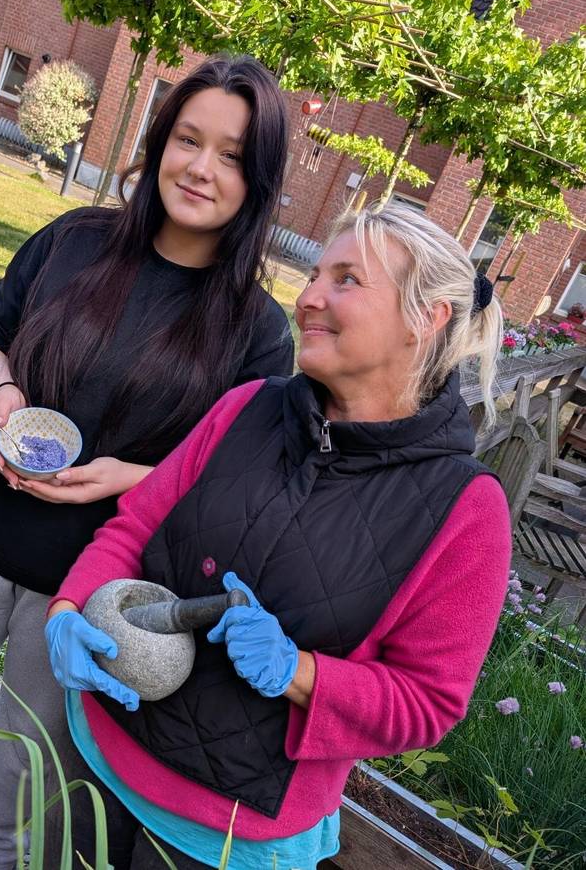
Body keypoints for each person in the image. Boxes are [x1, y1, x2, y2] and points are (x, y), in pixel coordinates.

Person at [0, 55, 295, 865]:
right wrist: (2, 396)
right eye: (189, 139)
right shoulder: (75, 241)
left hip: (88, 596)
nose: (200, 168)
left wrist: (131, 481)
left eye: (230, 156)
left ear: (257, 181)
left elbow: (244, 482)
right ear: (161, 141)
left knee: (15, 789)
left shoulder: (257, 330)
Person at [45, 203, 512, 869]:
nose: (309, 297)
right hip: (99, 756)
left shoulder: (465, 509)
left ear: (427, 318)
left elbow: (428, 701)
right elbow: (134, 528)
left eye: (346, 280)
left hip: (228, 838)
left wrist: (300, 673)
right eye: (317, 273)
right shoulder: (247, 409)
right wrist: (70, 607)